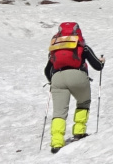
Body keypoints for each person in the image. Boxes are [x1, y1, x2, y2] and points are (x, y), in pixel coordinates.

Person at [44, 21, 105, 152]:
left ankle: (56, 143)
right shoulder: (82, 46)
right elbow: (97, 66)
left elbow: (47, 70)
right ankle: (79, 132)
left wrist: (52, 82)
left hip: (57, 78)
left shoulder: (55, 48)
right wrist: (102, 62)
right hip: (78, 76)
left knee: (59, 112)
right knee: (83, 102)